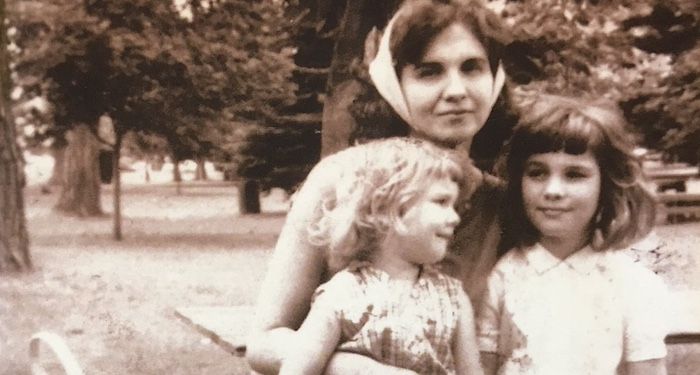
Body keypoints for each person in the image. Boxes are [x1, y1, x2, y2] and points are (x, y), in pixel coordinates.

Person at [247, 0, 515, 373]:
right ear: (394, 83)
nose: (456, 90)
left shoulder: (503, 204)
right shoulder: (339, 181)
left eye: (472, 68)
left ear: (495, 77)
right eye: (429, 72)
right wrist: (358, 368)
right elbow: (265, 340)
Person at [477, 94, 668, 375]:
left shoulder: (631, 284)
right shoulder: (505, 275)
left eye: (574, 175)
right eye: (537, 173)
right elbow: (483, 367)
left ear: (607, 185)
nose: (553, 190)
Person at [278, 137, 483, 375]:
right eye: (441, 202)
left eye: (454, 205)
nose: (454, 217)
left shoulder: (452, 298)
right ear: (387, 211)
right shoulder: (342, 294)